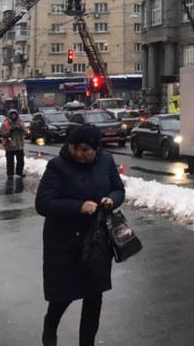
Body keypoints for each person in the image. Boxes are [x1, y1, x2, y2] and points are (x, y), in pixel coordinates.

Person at [35, 125, 124, 346]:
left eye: (86, 150)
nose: (79, 153)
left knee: (94, 296)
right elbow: (43, 203)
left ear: (96, 149)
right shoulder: (57, 166)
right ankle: (50, 327)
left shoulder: (106, 161)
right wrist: (78, 207)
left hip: (96, 240)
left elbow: (118, 189)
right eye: (76, 148)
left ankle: (87, 343)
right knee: (62, 295)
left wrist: (111, 199)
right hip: (64, 241)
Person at [0, 110, 26, 179]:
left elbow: (26, 132)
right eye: (12, 114)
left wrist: (21, 129)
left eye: (15, 114)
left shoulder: (20, 122)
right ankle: (10, 174)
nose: (14, 116)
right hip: (10, 145)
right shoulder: (5, 124)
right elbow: (2, 134)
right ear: (10, 115)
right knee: (10, 161)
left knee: (20, 161)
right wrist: (10, 131)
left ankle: (19, 172)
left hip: (19, 146)